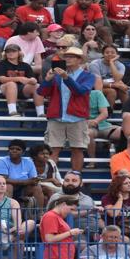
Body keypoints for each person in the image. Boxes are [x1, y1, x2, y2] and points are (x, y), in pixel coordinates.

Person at [35, 45, 95, 177]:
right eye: (66, 56)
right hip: (57, 116)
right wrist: (46, 80)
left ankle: (75, 177)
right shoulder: (56, 75)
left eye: (71, 56)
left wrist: (66, 77)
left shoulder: (88, 76)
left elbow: (80, 91)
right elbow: (41, 92)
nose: (68, 59)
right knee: (52, 149)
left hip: (77, 117)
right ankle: (50, 177)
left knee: (78, 149)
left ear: (79, 60)